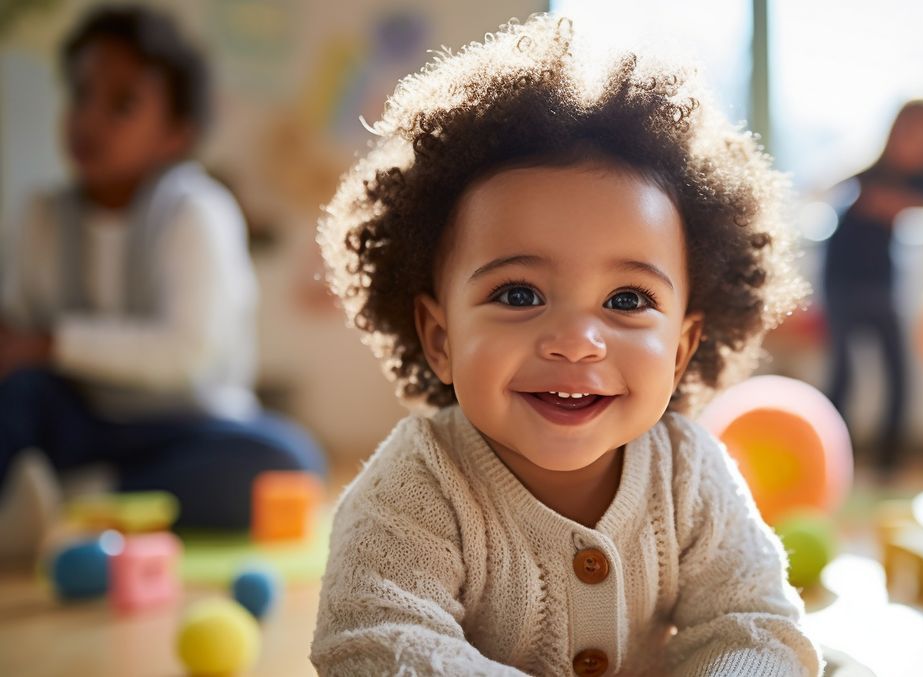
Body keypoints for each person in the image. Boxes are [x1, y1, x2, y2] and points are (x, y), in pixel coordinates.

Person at [309, 15, 818, 675]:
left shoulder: (690, 475)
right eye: (519, 294)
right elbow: (377, 641)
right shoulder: (417, 486)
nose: (577, 342)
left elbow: (755, 623)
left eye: (627, 300)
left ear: (683, 347)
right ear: (440, 338)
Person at [0, 6, 323, 558]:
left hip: (185, 429)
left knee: (285, 462)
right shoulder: (42, 216)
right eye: (81, 94)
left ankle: (77, 502)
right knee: (19, 396)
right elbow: (20, 336)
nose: (89, 119)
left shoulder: (197, 212)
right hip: (78, 419)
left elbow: (187, 354)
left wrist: (51, 344)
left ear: (176, 134)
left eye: (121, 104)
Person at [821, 100, 923, 484]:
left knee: (898, 375)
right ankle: (828, 461)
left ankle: (889, 468)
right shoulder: (872, 173)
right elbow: (840, 192)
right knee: (843, 375)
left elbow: (896, 205)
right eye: (908, 128)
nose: (914, 139)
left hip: (881, 283)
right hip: (841, 279)